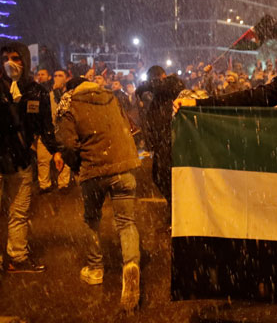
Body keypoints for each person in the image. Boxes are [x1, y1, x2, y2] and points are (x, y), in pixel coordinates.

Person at [54, 77, 141, 311]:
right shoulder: (111, 97)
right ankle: (131, 266)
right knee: (126, 223)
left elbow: (67, 144)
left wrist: (76, 166)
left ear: (71, 88)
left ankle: (95, 269)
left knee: (92, 219)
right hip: (123, 166)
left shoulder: (69, 103)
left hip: (93, 169)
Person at [0, 42, 62, 273]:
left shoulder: (36, 92)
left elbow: (45, 127)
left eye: (15, 58)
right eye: (5, 58)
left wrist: (56, 150)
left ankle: (17, 256)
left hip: (21, 161)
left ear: (24, 61)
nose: (10, 63)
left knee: (18, 212)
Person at [137, 66, 185, 213]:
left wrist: (142, 87)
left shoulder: (172, 83)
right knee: (158, 176)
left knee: (166, 175)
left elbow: (162, 86)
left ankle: (176, 208)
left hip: (170, 139)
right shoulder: (158, 94)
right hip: (161, 141)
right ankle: (173, 205)